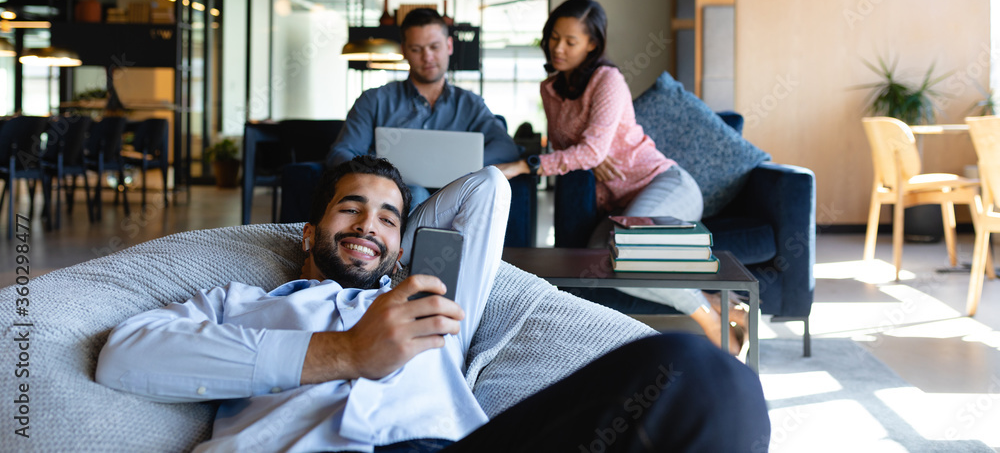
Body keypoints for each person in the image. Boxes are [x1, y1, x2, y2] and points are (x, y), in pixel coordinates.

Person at [96, 155, 770, 452]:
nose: (368, 223)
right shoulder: (242, 300)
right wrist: (344, 352)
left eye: (389, 219)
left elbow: (484, 193)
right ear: (307, 232)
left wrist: (399, 259)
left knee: (707, 377)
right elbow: (125, 357)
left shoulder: (428, 304)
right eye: (349, 209)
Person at [496, 0, 748, 354]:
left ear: (592, 44)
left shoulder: (607, 80)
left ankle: (707, 316)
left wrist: (527, 165)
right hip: (619, 208)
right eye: (554, 37)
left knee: (631, 251)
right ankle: (715, 300)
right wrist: (586, 155)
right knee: (604, 257)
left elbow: (591, 151)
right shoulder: (549, 90)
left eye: (570, 41)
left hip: (664, 184)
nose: (558, 48)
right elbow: (575, 150)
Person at [328, 8, 521, 210]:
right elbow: (343, 151)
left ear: (449, 46)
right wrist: (376, 175)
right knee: (416, 193)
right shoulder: (374, 100)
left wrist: (464, 169)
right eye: (416, 49)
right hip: (389, 197)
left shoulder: (470, 104)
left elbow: (506, 147)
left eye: (434, 47)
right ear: (404, 50)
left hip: (455, 195)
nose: (427, 57)